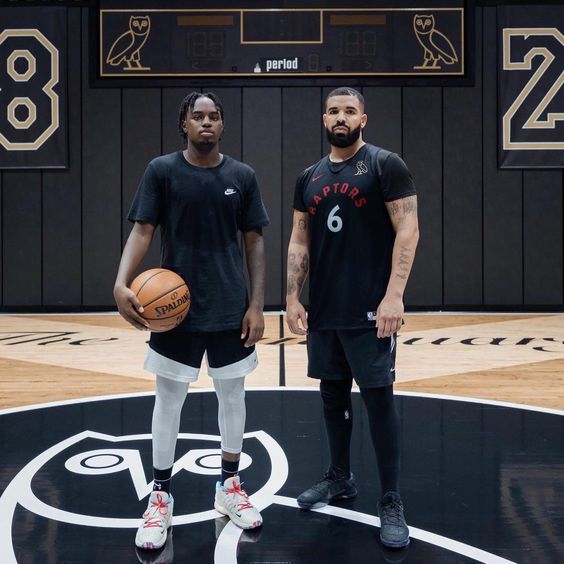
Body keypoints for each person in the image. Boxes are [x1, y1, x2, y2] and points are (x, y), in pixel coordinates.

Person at [114, 91, 269, 551]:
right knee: (169, 400)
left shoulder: (242, 176)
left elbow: (255, 242)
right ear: (183, 124)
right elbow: (142, 229)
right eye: (197, 116)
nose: (206, 122)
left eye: (214, 117)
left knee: (232, 396)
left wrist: (258, 304)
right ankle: (160, 496)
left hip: (228, 306)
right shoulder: (161, 171)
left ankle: (229, 485)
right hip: (173, 312)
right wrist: (121, 283)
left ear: (222, 126)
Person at [286, 87, 419, 549]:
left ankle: (390, 499)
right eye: (333, 111)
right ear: (324, 118)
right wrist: (292, 298)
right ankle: (340, 477)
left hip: (371, 310)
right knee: (331, 396)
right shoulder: (309, 177)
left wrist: (394, 297)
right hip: (325, 310)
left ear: (364, 117)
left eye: (349, 111)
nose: (340, 117)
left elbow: (408, 229)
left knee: (379, 401)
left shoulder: (385, 164)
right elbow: (299, 240)